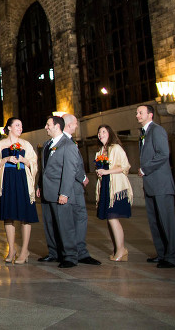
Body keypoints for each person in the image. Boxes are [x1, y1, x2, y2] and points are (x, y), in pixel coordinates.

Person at [137, 104, 175, 268]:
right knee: (155, 221)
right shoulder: (143, 133)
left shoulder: (157, 130)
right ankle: (162, 253)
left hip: (161, 185)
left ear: (150, 115)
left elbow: (163, 154)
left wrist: (145, 169)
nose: (137, 115)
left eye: (140, 113)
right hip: (151, 185)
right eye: (137, 113)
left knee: (166, 221)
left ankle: (172, 257)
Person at [0, 117, 38, 264]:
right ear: (9, 127)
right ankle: (11, 250)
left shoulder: (26, 144)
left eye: (21, 126)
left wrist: (24, 160)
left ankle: (24, 251)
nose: (20, 128)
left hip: (22, 179)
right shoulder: (0, 144)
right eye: (17, 125)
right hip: (7, 180)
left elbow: (34, 163)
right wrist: (6, 159)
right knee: (8, 215)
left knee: (25, 215)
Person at [40, 116, 80, 268]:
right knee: (50, 225)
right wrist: (39, 186)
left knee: (65, 225)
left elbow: (70, 172)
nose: (46, 127)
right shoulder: (47, 144)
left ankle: (70, 256)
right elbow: (44, 168)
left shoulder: (68, 145)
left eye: (48, 124)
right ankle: (54, 253)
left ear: (57, 126)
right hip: (47, 192)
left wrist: (64, 193)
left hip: (60, 193)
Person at [63, 114, 101, 266]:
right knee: (80, 217)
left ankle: (73, 251)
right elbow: (75, 164)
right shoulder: (67, 142)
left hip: (70, 185)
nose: (77, 125)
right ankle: (79, 252)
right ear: (69, 125)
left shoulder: (65, 141)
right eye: (75, 123)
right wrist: (83, 177)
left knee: (74, 219)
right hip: (73, 186)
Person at [95, 124, 133, 261]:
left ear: (110, 133)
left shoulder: (116, 148)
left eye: (103, 132)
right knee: (109, 219)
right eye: (99, 132)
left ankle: (122, 250)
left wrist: (106, 171)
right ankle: (118, 249)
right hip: (106, 185)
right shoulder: (100, 151)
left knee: (113, 217)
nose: (100, 134)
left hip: (116, 188)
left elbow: (125, 167)